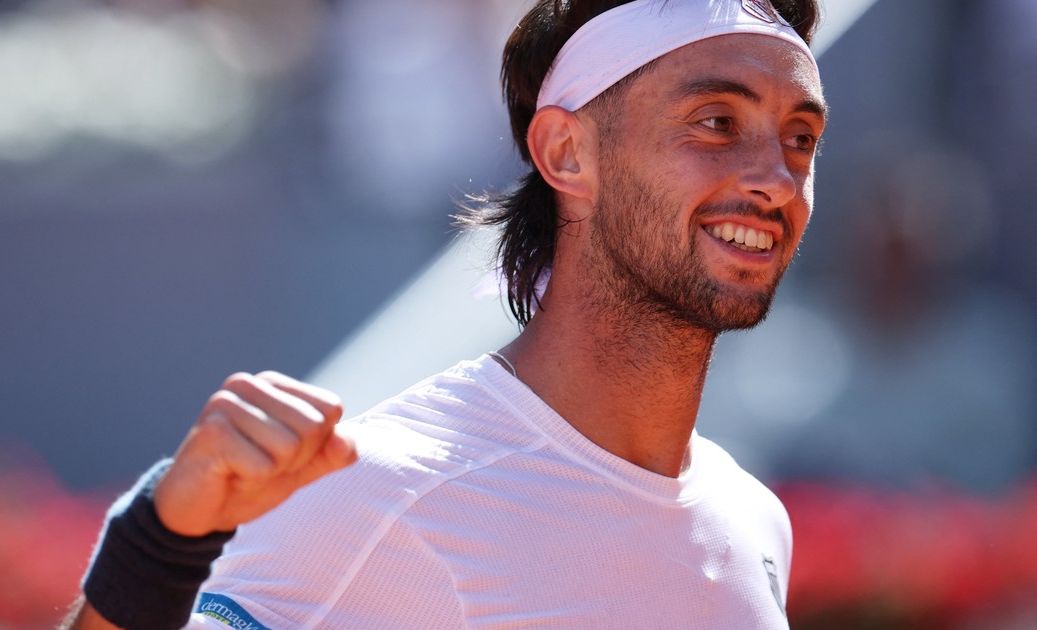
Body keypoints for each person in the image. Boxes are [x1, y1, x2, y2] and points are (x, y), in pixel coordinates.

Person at [64, 0, 827, 627]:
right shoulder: (383, 491)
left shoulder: (752, 518)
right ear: (567, 152)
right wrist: (156, 546)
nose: (777, 179)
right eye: (716, 122)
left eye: (801, 138)